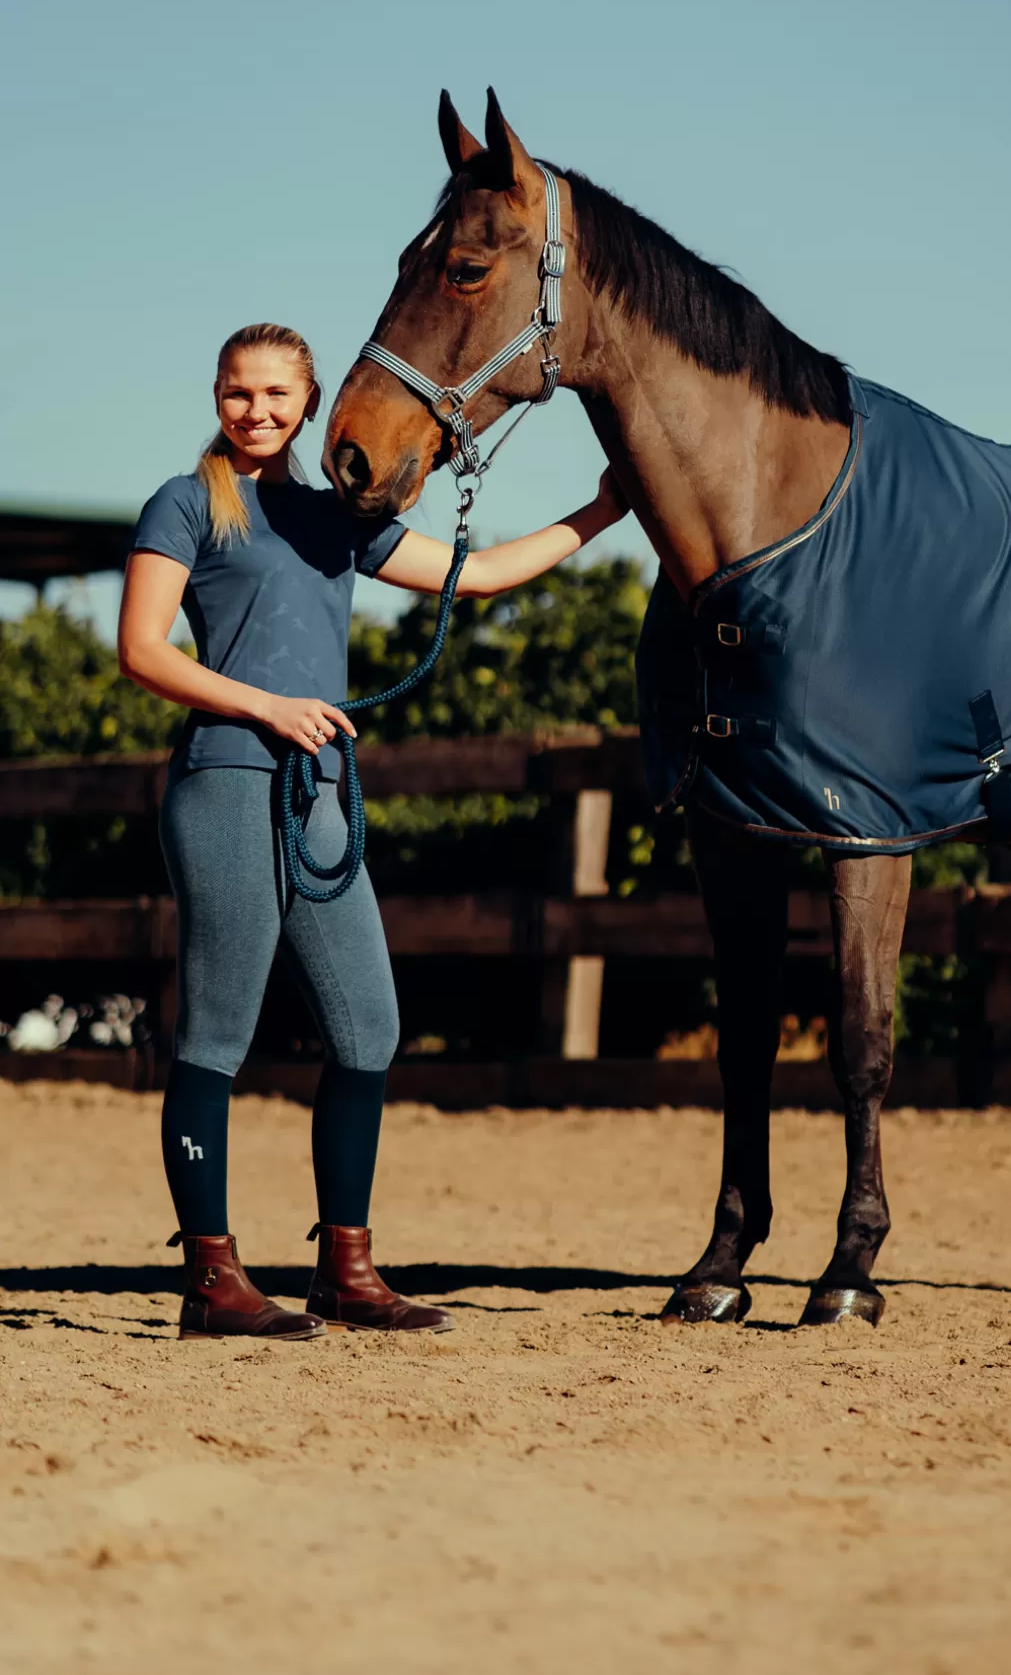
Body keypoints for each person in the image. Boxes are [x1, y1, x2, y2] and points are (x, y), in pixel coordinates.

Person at [119, 322, 626, 1341]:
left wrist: (609, 507)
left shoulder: (338, 518)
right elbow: (141, 649)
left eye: (274, 395)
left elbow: (475, 577)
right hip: (226, 780)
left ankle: (344, 1269)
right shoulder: (185, 504)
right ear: (218, 399)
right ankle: (212, 1279)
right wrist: (266, 707)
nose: (255, 411)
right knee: (218, 1031)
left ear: (308, 405)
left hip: (318, 792)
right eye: (237, 393)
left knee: (369, 1029)